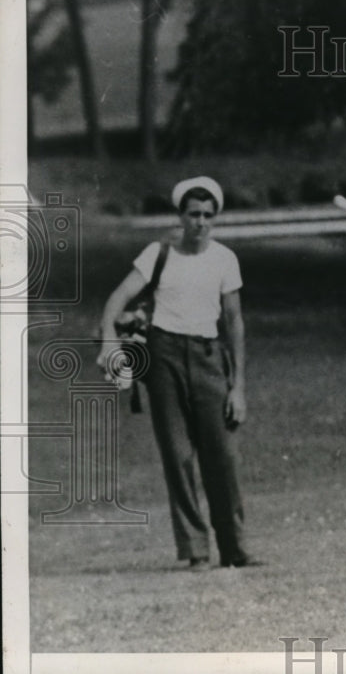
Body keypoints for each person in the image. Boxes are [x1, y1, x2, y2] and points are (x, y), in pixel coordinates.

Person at [98, 176, 259, 570]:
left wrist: (238, 386)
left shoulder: (224, 259)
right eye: (193, 214)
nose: (200, 223)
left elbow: (234, 322)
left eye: (207, 215)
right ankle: (195, 549)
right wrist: (108, 341)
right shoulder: (158, 254)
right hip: (164, 357)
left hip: (207, 357)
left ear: (215, 218)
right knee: (178, 454)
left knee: (221, 455)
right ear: (180, 216)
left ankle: (234, 547)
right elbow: (117, 298)